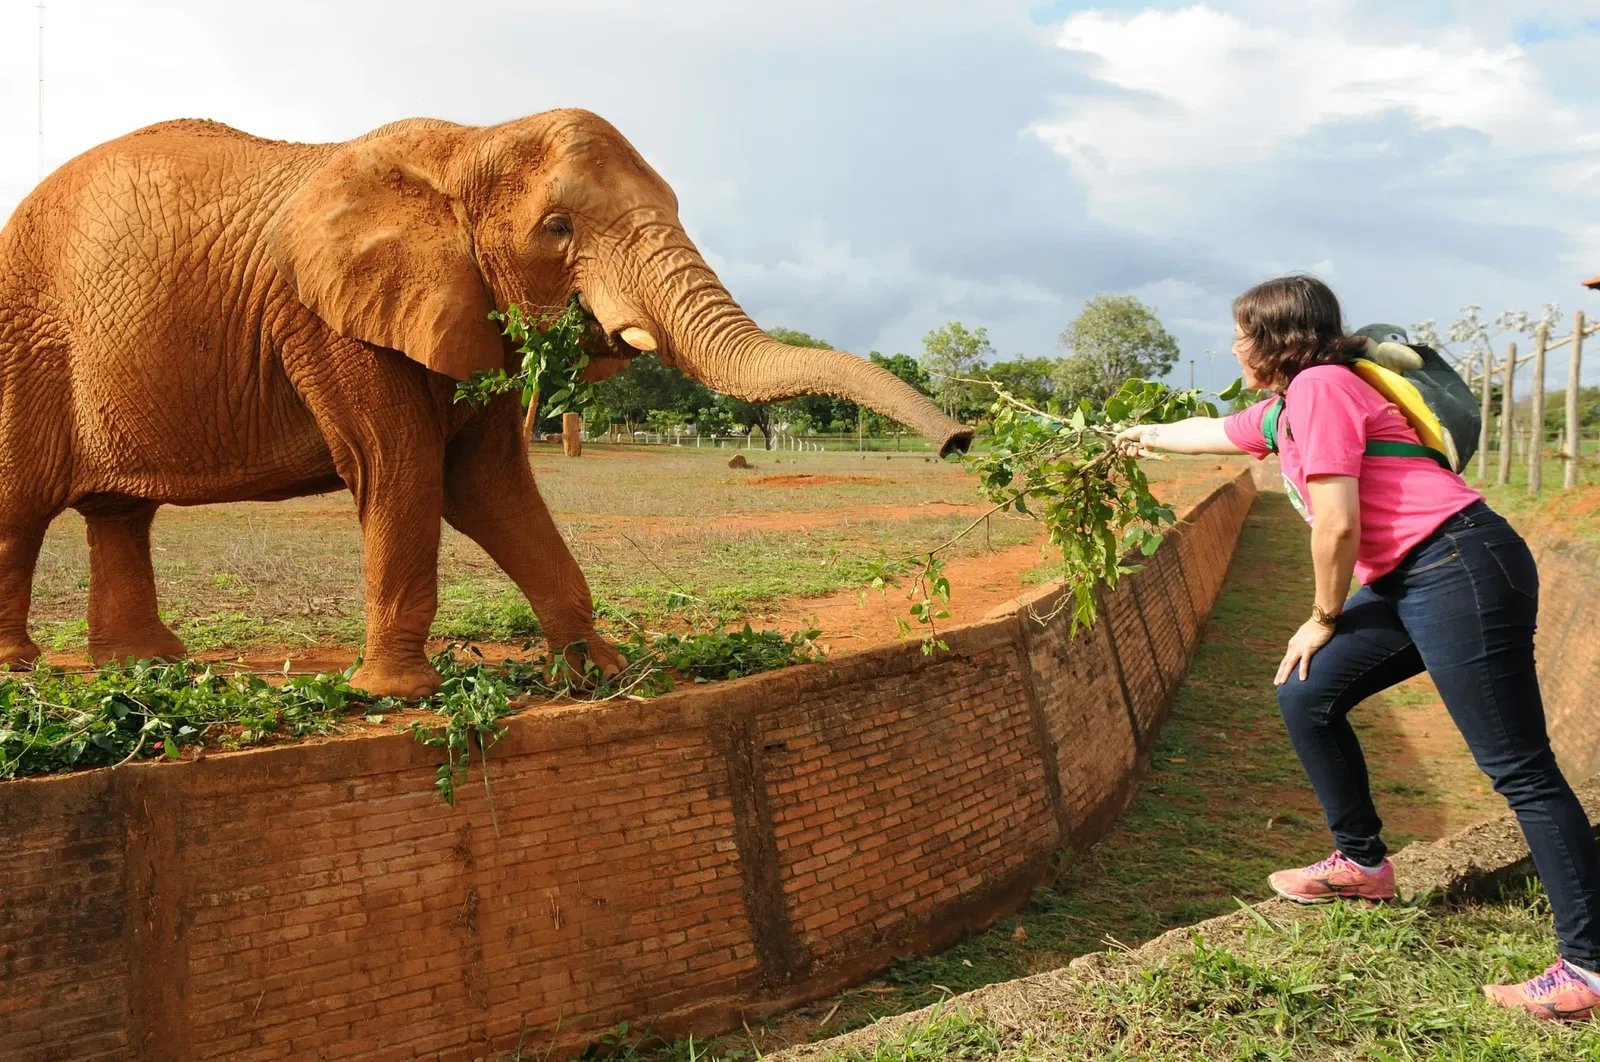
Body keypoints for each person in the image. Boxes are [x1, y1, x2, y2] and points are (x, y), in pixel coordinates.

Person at [1114, 274, 1600, 1021]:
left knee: (1518, 768)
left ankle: (1588, 970)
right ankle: (1364, 864)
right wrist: (1135, 437)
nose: (1234, 345)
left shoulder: (1321, 390)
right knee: (1307, 690)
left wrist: (1322, 614)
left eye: (1243, 333)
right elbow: (1215, 431)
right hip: (1416, 575)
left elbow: (1336, 524)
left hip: (1458, 564)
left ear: (1275, 339)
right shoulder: (1287, 409)